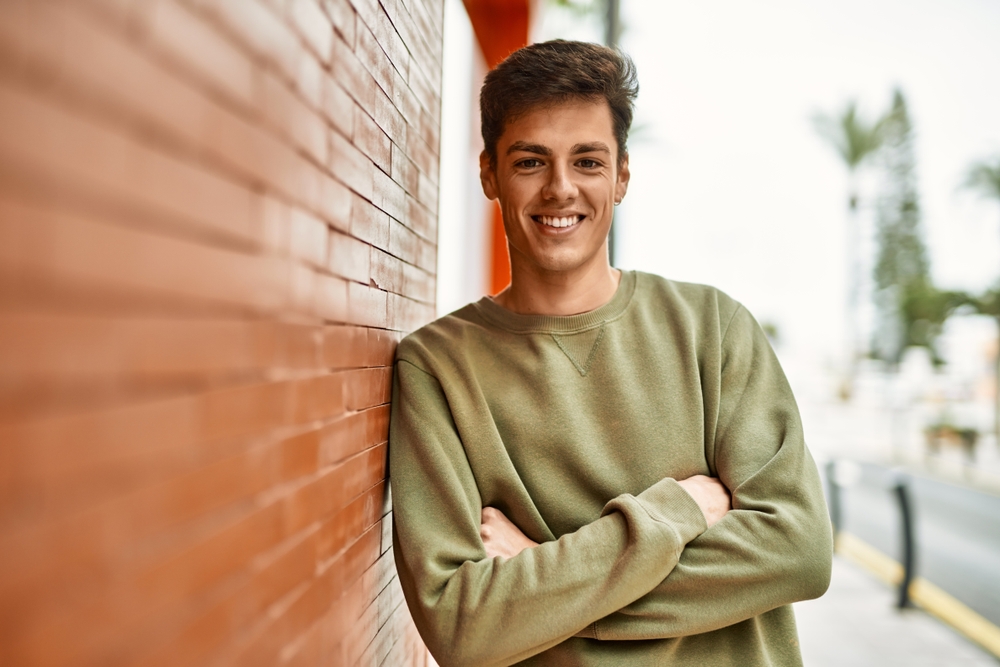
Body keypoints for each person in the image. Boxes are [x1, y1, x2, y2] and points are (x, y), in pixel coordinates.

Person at [389, 40, 832, 667]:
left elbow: (798, 553)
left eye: (588, 161)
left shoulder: (713, 328)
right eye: (530, 161)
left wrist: (542, 589)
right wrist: (677, 512)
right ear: (489, 173)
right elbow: (463, 625)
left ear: (621, 176)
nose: (561, 188)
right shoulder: (436, 368)